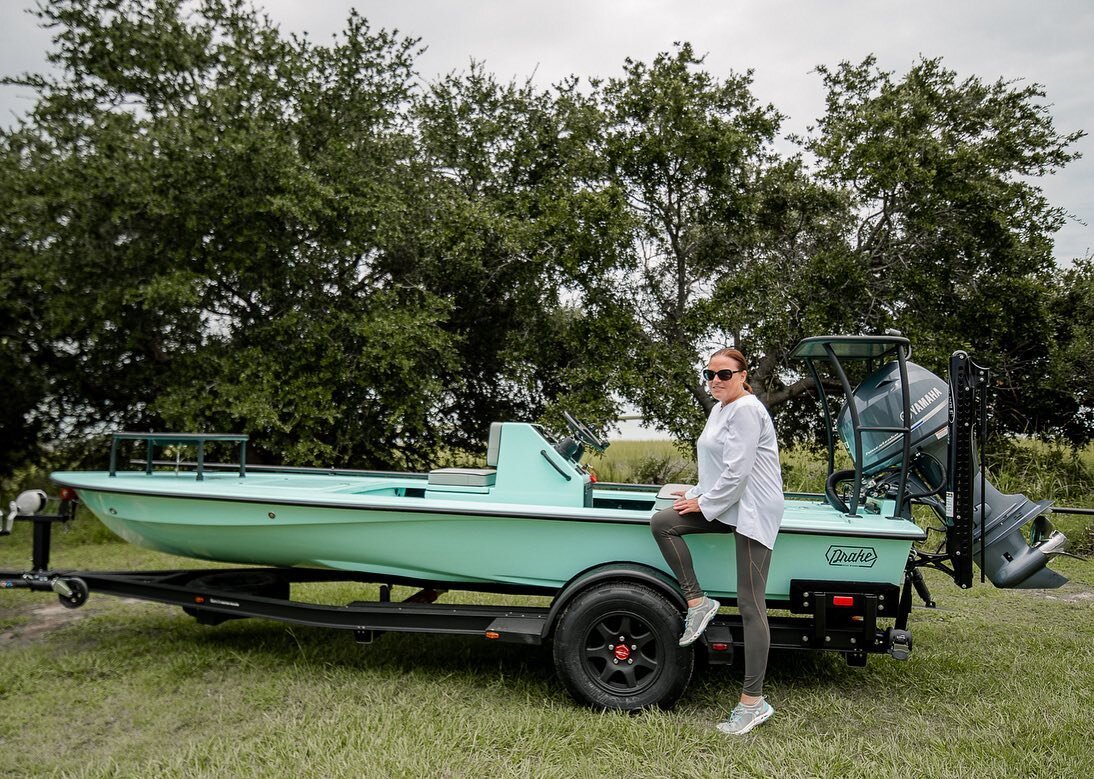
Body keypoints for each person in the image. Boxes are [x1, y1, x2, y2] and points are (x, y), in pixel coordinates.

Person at [649, 347, 784, 736]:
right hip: (726, 502)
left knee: (750, 603)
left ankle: (753, 703)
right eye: (709, 373)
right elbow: (717, 466)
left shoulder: (746, 409)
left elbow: (739, 473)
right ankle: (698, 601)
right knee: (664, 523)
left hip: (753, 508)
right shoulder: (719, 408)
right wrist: (693, 492)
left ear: (743, 375)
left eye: (724, 374)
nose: (715, 380)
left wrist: (703, 502)